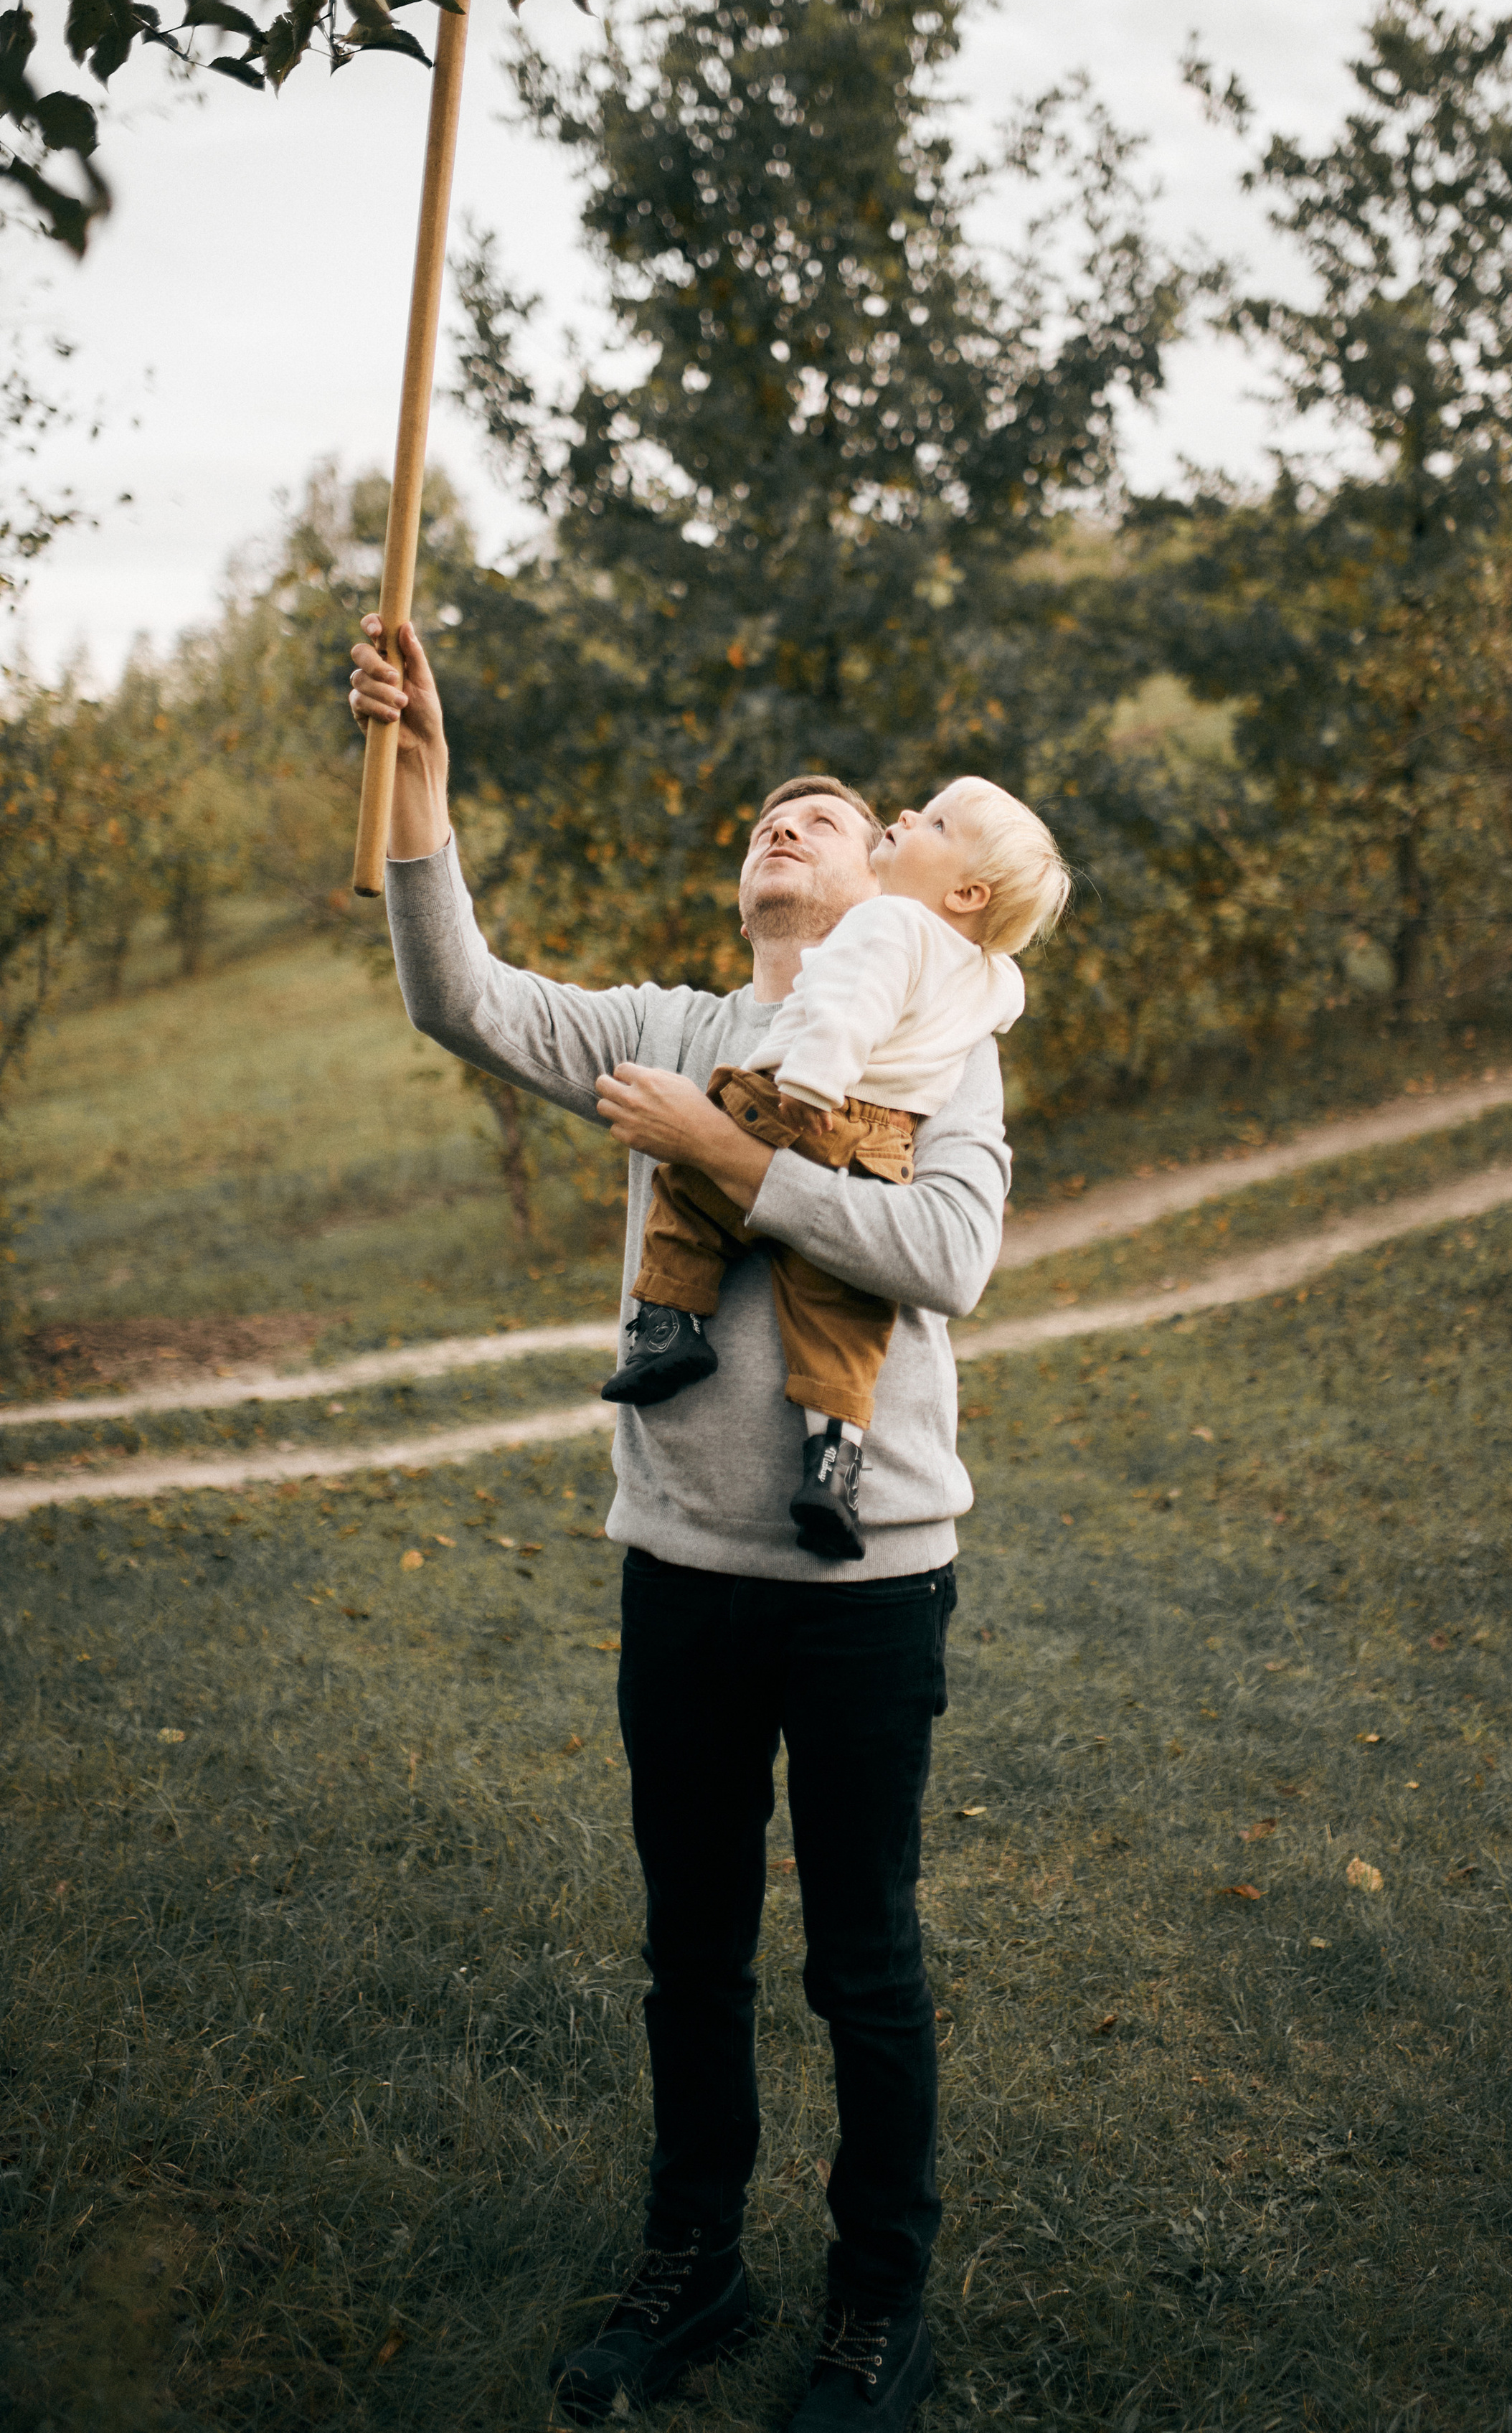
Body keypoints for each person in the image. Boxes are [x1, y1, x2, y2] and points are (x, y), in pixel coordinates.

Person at [348, 612, 1016, 2431]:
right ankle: (692, 2256)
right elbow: (458, 997)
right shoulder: (666, 1025)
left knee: (860, 1951)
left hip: (869, 1578)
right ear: (743, 889)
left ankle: (879, 2304)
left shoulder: (936, 1044)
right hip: (681, 1573)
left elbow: (947, 1255)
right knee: (692, 1941)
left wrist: (725, 1158)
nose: (785, 823)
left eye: (826, 812)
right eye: (766, 817)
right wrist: (426, 779)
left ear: (889, 875)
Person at [601, 776, 1070, 1561]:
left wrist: (805, 1090)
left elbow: (844, 1015)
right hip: (884, 1145)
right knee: (842, 1315)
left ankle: (669, 1323)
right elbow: (991, 1010)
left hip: (799, 1099)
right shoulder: (991, 977)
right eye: (771, 827)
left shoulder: (884, 924)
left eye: (936, 821)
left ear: (964, 890)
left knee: (684, 1190)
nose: (908, 816)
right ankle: (833, 1458)